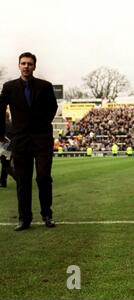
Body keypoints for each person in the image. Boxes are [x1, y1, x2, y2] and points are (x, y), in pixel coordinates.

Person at [0, 52, 58, 231]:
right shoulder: (9, 87)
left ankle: (47, 214)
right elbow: (1, 109)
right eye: (23, 63)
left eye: (30, 64)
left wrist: (42, 124)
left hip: (42, 139)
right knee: (23, 180)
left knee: (43, 177)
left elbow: (53, 107)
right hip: (20, 139)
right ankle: (24, 219)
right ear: (19, 66)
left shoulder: (45, 86)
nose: (26, 66)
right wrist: (2, 133)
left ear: (34, 66)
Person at [0, 112, 16, 187]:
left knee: (6, 166)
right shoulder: (12, 124)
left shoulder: (3, 125)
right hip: (11, 147)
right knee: (5, 164)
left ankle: (19, 179)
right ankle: (3, 181)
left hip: (4, 147)